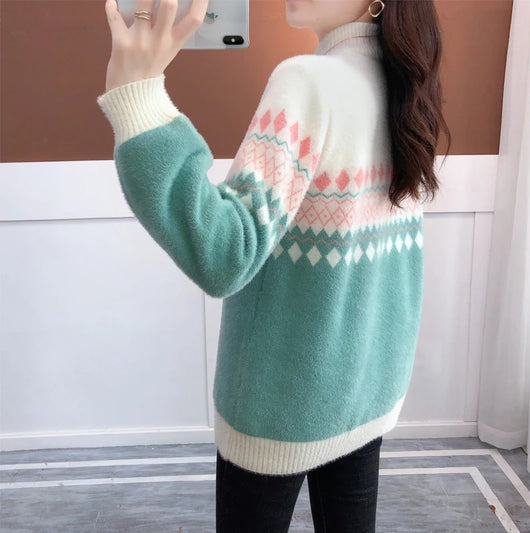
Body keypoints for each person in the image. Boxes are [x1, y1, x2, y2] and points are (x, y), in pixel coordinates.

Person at [97, 0, 451, 531]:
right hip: (366, 389)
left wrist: (138, 98)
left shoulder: (308, 82)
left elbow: (224, 254)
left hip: (278, 405)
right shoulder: (405, 86)